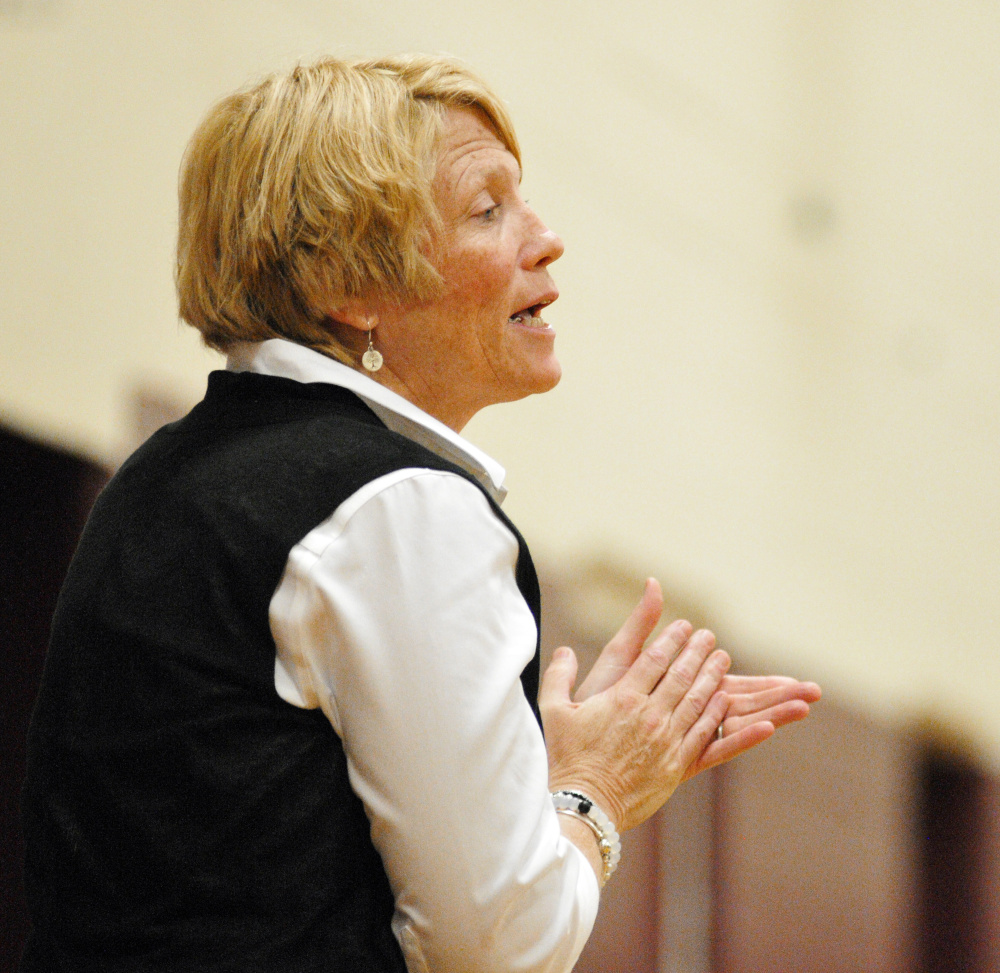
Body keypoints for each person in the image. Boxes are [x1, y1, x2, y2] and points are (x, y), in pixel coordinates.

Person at [21, 55, 821, 973]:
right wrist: (594, 790)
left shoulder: (160, 477)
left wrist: (522, 777)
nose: (547, 239)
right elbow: (500, 944)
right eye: (487, 210)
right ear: (347, 285)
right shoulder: (398, 506)